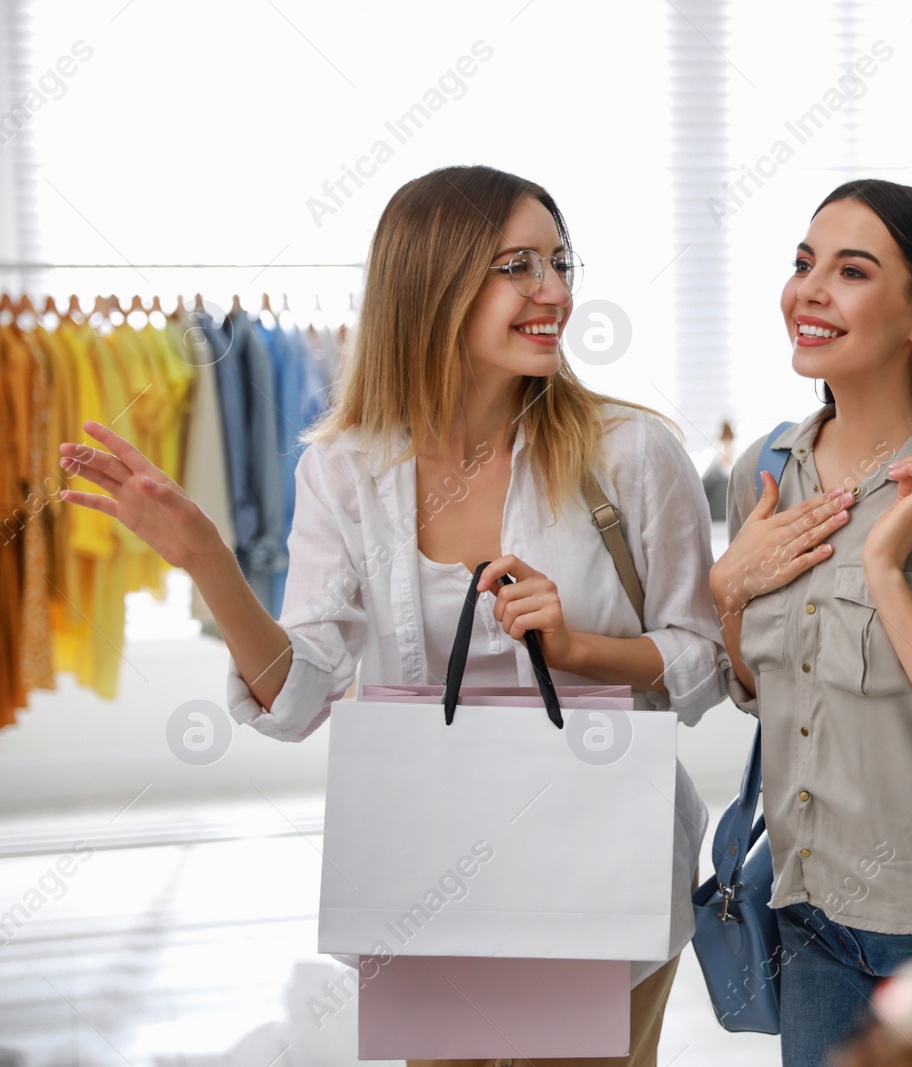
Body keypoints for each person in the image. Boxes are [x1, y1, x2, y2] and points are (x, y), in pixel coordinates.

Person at [57, 164, 725, 1067]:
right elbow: (298, 698)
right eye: (517, 265)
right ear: (433, 282)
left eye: (561, 262)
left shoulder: (632, 454)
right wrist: (206, 558)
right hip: (434, 871)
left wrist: (578, 648)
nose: (554, 291)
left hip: (603, 858)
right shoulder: (343, 471)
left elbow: (702, 664)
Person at [710, 178, 912, 1065]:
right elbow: (759, 688)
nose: (810, 290)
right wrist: (727, 589)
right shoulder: (765, 470)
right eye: (803, 262)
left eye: (852, 271)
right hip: (812, 918)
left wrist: (886, 572)